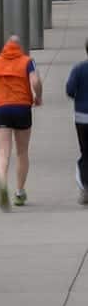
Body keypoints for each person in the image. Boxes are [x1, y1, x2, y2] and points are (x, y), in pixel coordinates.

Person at [0, 35, 43, 211]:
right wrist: (38, 96)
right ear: (19, 47)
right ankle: (20, 192)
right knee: (22, 152)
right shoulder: (27, 61)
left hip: (1, 110)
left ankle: (1, 181)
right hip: (22, 108)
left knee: (3, 152)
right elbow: (35, 81)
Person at [65, 41, 88, 205]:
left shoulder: (79, 69)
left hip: (82, 117)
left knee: (85, 153)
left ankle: (85, 187)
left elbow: (70, 90)